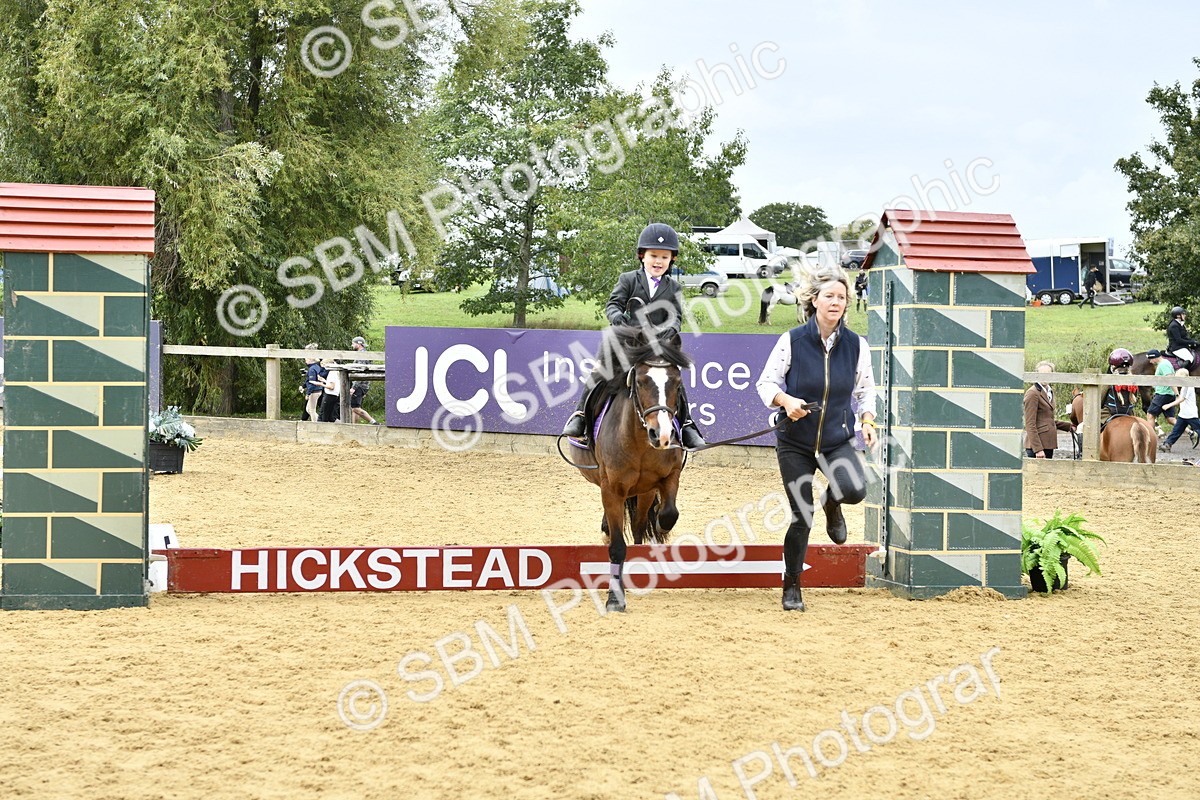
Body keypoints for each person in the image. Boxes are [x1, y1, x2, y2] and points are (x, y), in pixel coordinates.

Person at [755, 264, 877, 612]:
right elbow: (765, 383)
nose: (836, 302)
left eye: (841, 297)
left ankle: (832, 503)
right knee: (801, 514)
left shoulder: (856, 345)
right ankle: (792, 585)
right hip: (795, 442)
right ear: (814, 300)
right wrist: (786, 401)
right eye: (829, 296)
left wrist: (867, 419)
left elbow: (866, 390)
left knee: (855, 490)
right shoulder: (792, 340)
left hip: (837, 439)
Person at [561, 223, 706, 449]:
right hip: (626, 342)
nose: (658, 261)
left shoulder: (674, 287)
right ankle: (580, 416)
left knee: (673, 379)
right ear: (642, 256)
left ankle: (686, 424)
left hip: (657, 345)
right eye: (653, 256)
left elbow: (676, 316)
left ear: (672, 260)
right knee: (600, 373)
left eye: (664, 257)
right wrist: (618, 318)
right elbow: (613, 305)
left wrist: (670, 330)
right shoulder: (628, 279)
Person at [1023, 360, 1075, 458]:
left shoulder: (1049, 392)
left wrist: (1069, 427)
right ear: (1036, 375)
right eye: (1042, 374)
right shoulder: (1032, 393)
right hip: (1037, 447)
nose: (1045, 377)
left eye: (1048, 374)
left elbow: (1046, 419)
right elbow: (1030, 424)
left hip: (1047, 444)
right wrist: (1038, 449)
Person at [1160, 368, 1200, 452]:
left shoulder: (1188, 386)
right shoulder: (1184, 387)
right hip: (1183, 414)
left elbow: (1181, 399)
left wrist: (1168, 405)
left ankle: (1168, 444)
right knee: (1176, 431)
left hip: (1190, 414)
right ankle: (1167, 444)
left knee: (1198, 429)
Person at [1143, 349, 1177, 434]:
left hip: (1162, 394)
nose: (1150, 361)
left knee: (1150, 415)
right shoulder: (1165, 363)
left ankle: (1151, 437)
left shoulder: (1163, 365)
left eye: (1150, 359)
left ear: (1154, 358)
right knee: (1170, 419)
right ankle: (1190, 432)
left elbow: (1170, 379)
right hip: (1168, 394)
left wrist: (1177, 394)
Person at [348, 336, 380, 425]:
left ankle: (374, 422)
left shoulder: (362, 355)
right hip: (363, 384)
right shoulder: (364, 354)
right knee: (355, 408)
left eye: (353, 343)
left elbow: (360, 372)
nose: (352, 345)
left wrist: (354, 387)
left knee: (355, 408)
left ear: (358, 344)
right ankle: (354, 427)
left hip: (360, 384)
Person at [1102, 348, 1139, 425]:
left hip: (1108, 415)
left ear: (1113, 366)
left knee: (1082, 427)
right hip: (1129, 414)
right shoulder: (1133, 382)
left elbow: (1099, 401)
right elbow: (1135, 400)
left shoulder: (1108, 381)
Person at [303, 343, 329, 423]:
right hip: (319, 386)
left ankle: (317, 424)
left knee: (312, 409)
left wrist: (308, 393)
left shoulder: (317, 364)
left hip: (317, 387)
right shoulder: (316, 364)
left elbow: (313, 381)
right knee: (309, 409)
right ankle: (318, 422)